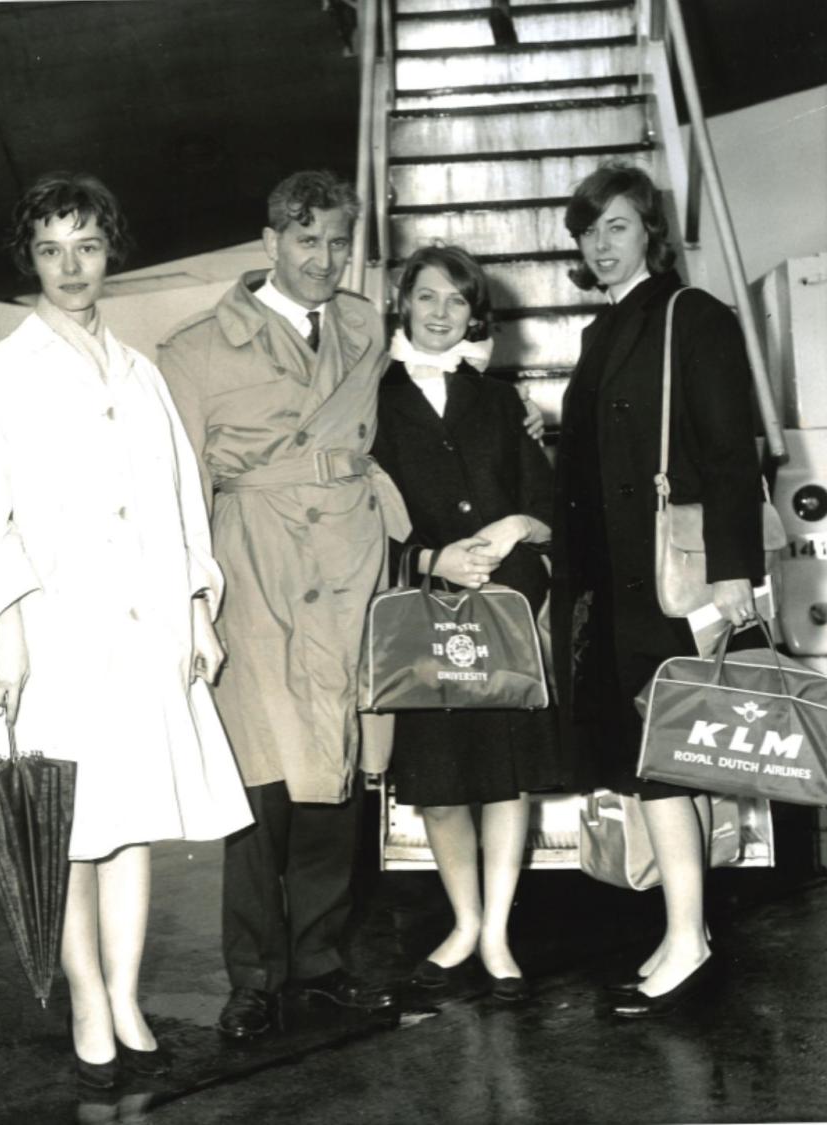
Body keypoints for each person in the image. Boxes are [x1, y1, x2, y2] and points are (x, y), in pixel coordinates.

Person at [0, 172, 253, 1086]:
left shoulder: (143, 371)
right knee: (69, 826)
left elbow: (179, 504)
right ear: (30, 261)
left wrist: (199, 604)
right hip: (54, 632)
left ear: (109, 248)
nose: (71, 265)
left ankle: (126, 992)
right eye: (51, 249)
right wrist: (6, 624)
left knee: (132, 823)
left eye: (86, 245)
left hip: (147, 624)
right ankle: (86, 994)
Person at [156, 170, 406, 1040]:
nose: (324, 259)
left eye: (338, 242)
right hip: (252, 566)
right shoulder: (193, 350)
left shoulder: (365, 327)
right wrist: (187, 604)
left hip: (343, 560)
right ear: (269, 244)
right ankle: (255, 980)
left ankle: (321, 969)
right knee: (261, 783)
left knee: (331, 775)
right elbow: (178, 489)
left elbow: (397, 418)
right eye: (306, 241)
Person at [550, 164, 767, 1018]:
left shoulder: (691, 316)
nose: (599, 245)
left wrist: (734, 575)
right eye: (588, 231)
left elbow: (727, 449)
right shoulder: (603, 333)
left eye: (616, 227)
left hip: (673, 586)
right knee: (651, 759)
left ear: (651, 234)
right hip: (615, 587)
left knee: (672, 755)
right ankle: (683, 930)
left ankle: (690, 934)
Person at [369, 245, 562, 1001]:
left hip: (501, 607)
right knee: (442, 785)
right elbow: (364, 519)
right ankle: (463, 921)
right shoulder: (375, 397)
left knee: (505, 780)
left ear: (474, 312)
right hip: (424, 606)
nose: (440, 312)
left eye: (455, 300)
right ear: (404, 304)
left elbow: (547, 509)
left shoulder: (499, 397)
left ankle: (498, 933)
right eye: (426, 297)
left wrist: (515, 525)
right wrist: (428, 559)